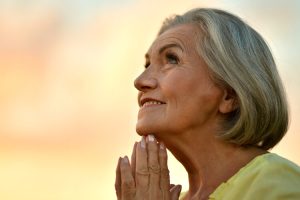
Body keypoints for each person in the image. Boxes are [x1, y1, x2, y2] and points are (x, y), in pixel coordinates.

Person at [115, 8, 300, 200]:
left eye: (171, 59)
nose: (140, 81)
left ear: (229, 95)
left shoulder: (278, 185)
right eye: (147, 65)